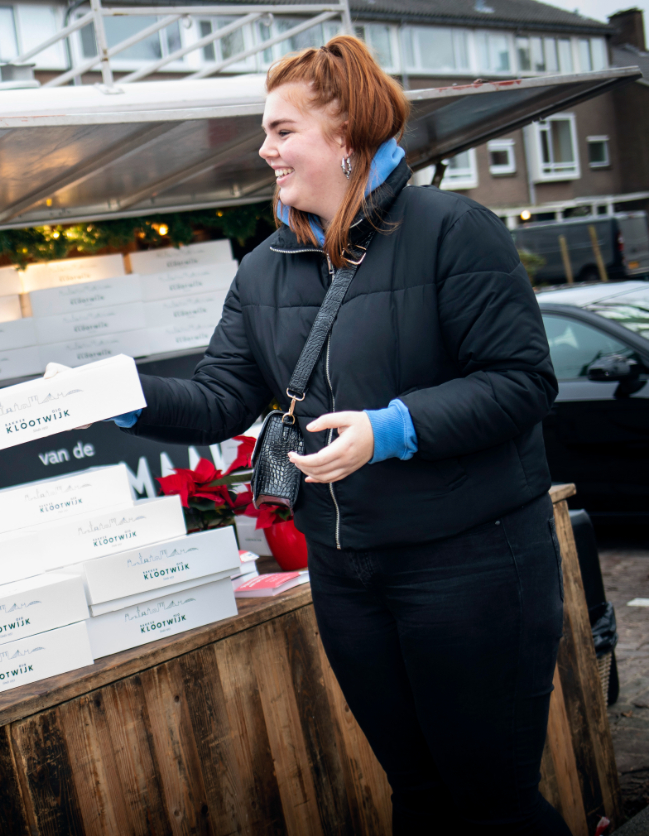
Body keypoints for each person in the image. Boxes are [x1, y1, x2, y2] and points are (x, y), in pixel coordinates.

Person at [114, 36, 564, 835]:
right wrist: (112, 396)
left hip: (471, 563)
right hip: (349, 579)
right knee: (419, 798)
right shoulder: (262, 269)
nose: (265, 149)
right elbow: (221, 399)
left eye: (282, 130)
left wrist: (391, 430)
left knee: (493, 804)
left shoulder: (452, 230)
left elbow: (521, 383)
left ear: (347, 135)